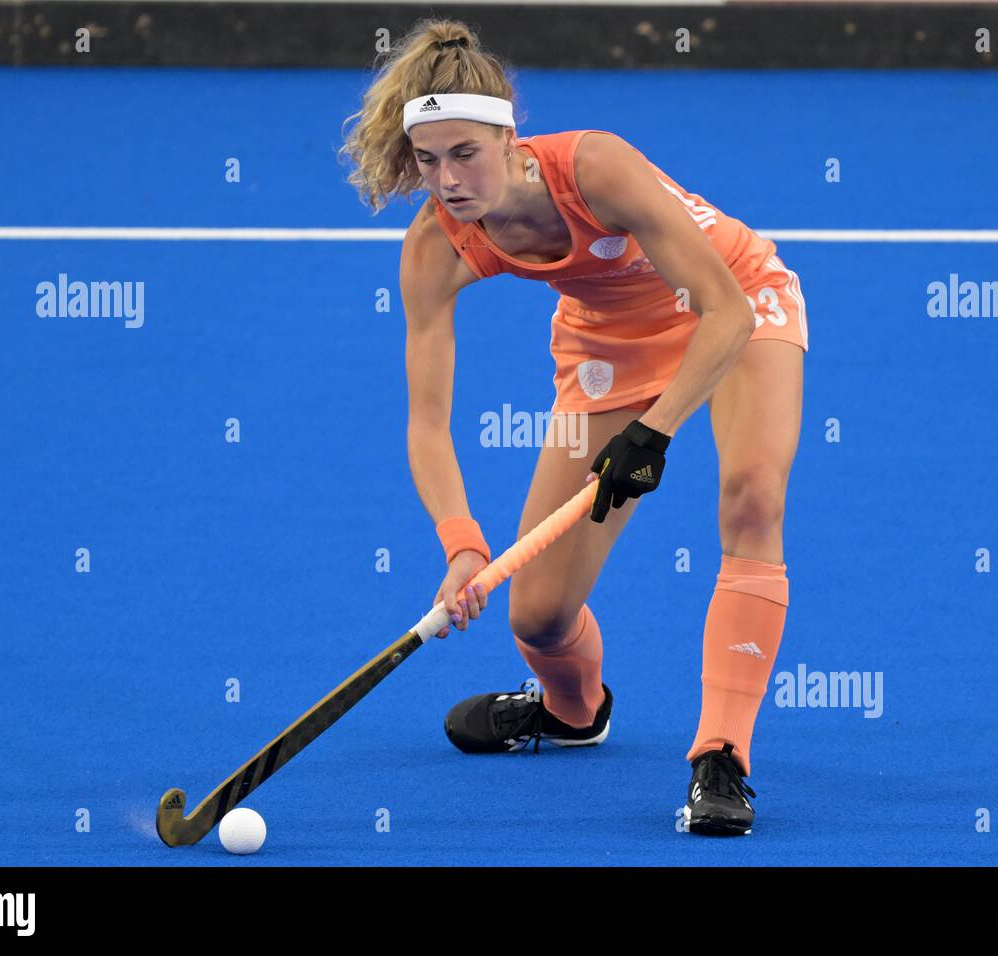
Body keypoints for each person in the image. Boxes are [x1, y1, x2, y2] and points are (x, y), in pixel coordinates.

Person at [338, 21, 808, 836]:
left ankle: (721, 756)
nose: (447, 179)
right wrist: (461, 545)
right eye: (428, 158)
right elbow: (426, 423)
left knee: (752, 499)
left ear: (509, 138)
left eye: (465, 153)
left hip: (735, 304)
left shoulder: (594, 167)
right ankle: (570, 711)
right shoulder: (433, 249)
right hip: (607, 349)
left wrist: (653, 435)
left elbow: (725, 312)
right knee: (538, 618)